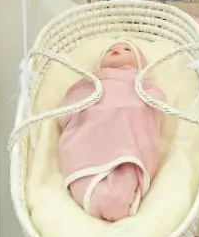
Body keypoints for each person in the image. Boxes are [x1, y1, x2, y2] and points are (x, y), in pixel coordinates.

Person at [57, 41, 164, 222]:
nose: (117, 49)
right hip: (88, 143)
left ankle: (119, 199)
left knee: (135, 113)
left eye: (127, 49)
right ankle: (94, 194)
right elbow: (66, 111)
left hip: (128, 143)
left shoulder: (142, 85)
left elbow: (155, 109)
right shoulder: (88, 83)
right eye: (110, 49)